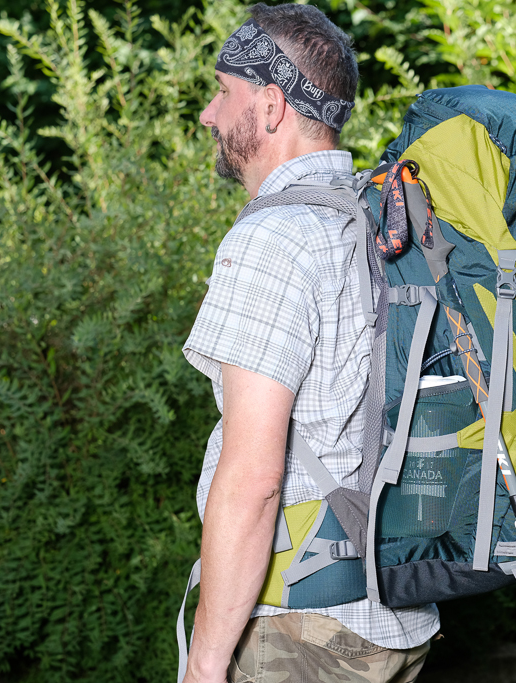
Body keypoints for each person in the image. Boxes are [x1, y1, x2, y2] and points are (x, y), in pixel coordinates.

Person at [181, 5, 439, 682]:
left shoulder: (274, 239)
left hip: (303, 634)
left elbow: (254, 480)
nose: (210, 114)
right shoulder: (376, 219)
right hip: (392, 618)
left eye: (222, 92)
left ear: (270, 106)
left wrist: (205, 663)